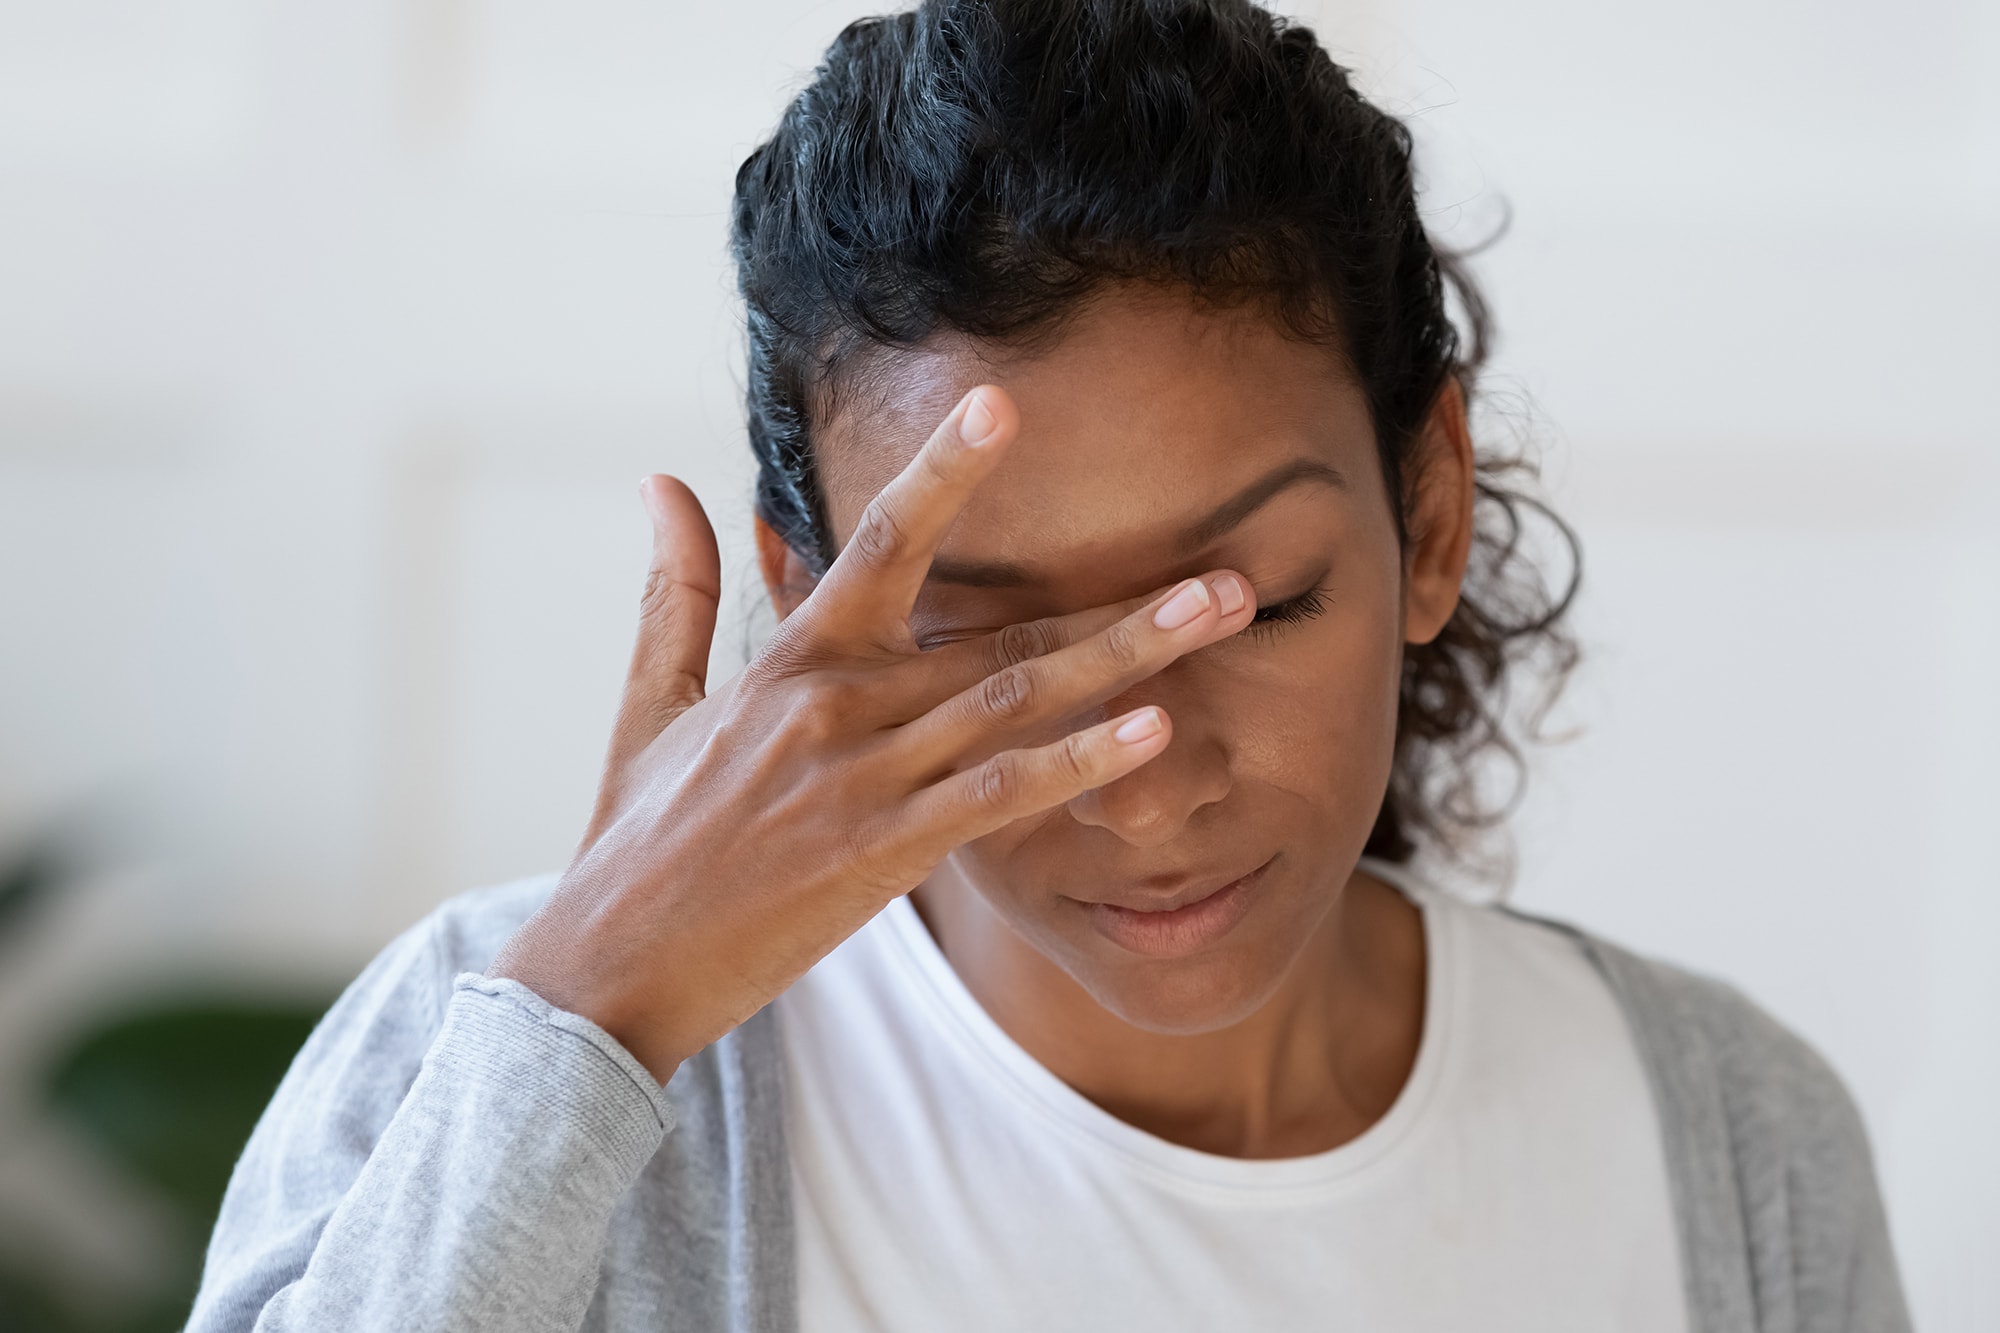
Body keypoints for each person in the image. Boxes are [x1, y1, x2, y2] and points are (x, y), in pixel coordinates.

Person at [185, 1, 1908, 1330]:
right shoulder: (521, 1065)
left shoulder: (1728, 1139)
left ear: (1430, 514)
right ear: (811, 616)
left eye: (1253, 598)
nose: (1145, 778)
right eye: (985, 644)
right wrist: (588, 1014)